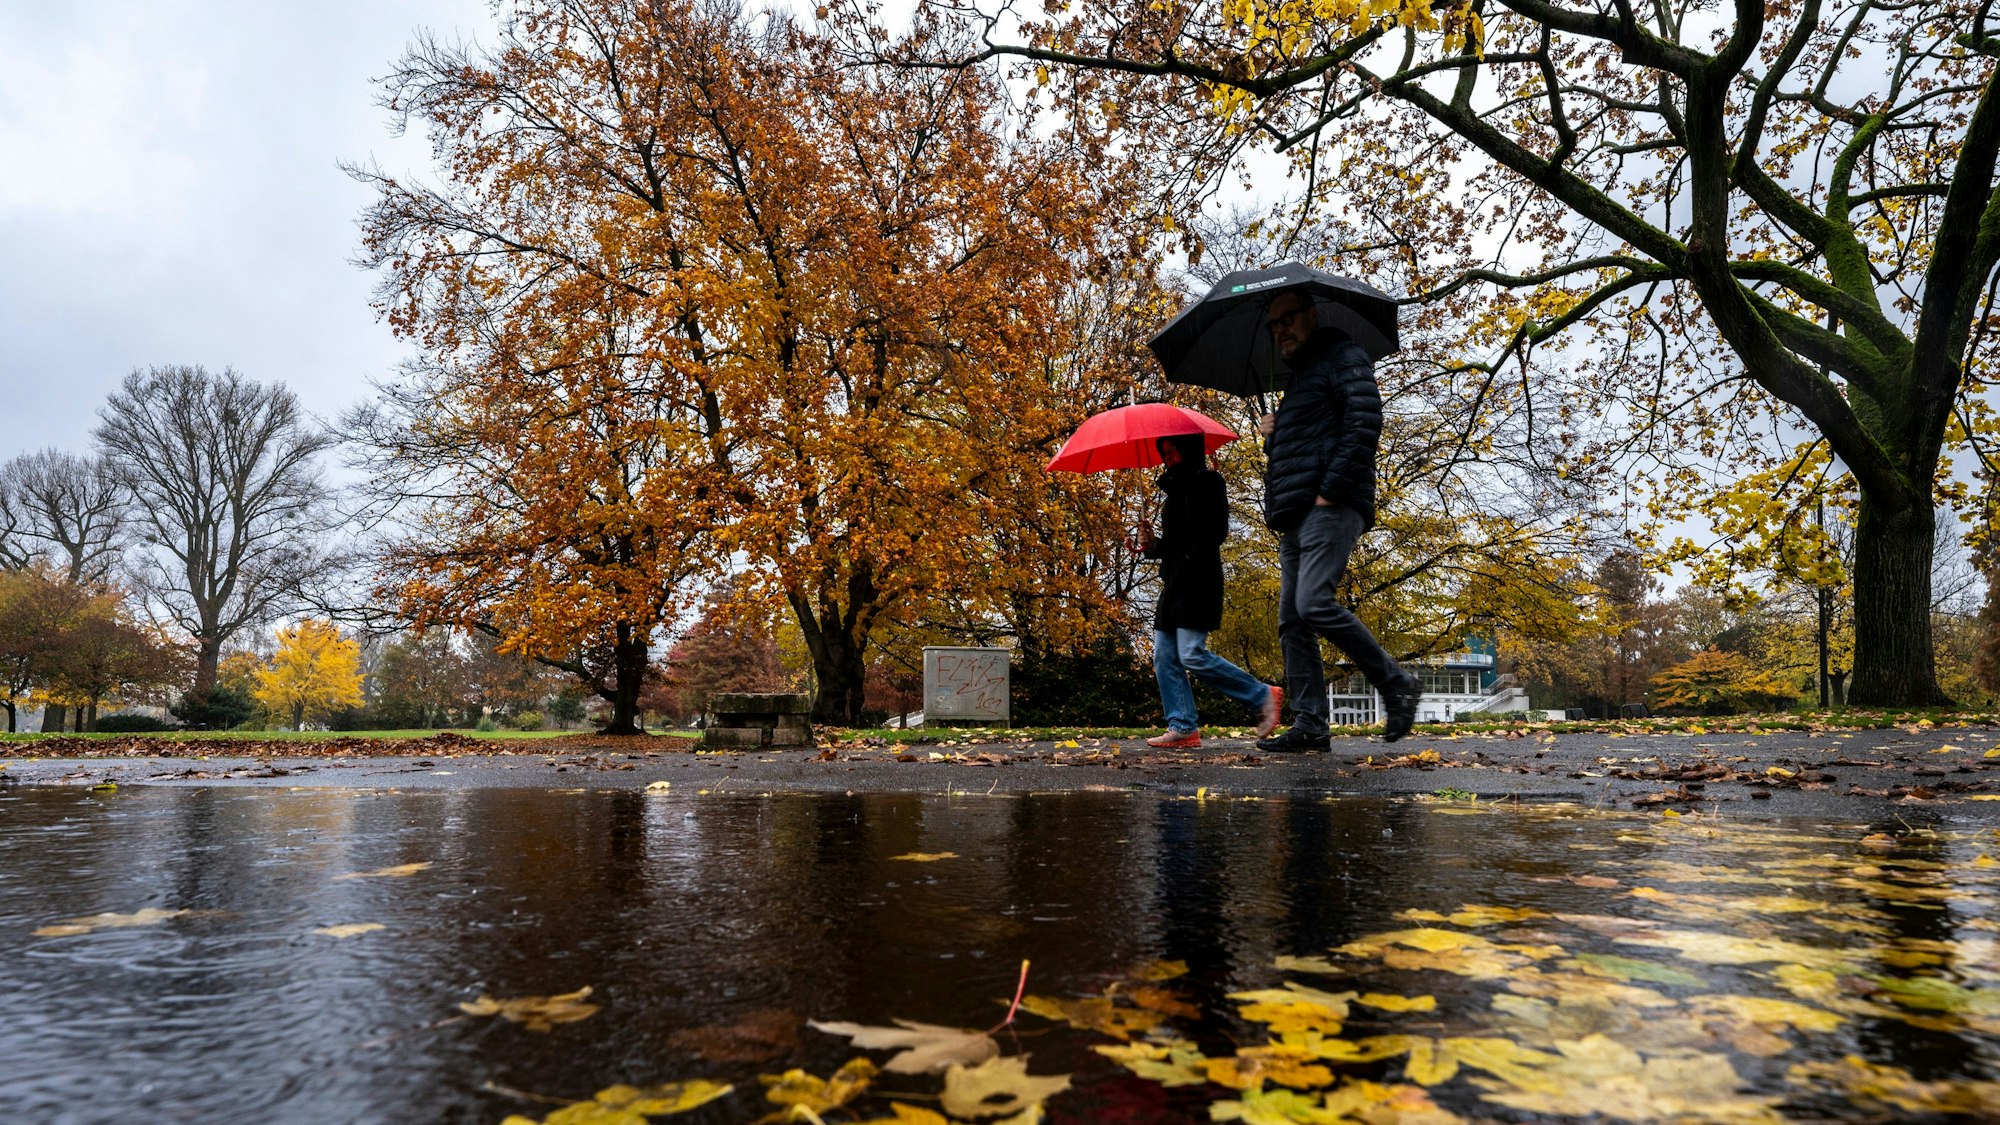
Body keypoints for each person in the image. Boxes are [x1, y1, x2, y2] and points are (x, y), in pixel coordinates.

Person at [1253, 288, 1422, 751]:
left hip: (1329, 504)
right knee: (1292, 621)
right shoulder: (1299, 378)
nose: (1279, 330)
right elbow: (1299, 450)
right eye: (1272, 326)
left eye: (1287, 319)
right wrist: (1274, 433)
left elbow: (1364, 420)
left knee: (1313, 604)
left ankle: (1396, 683)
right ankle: (1311, 724)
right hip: (1295, 514)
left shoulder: (1342, 356)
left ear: (1311, 315)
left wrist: (1332, 491)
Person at [1134, 432, 1283, 749]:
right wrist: (1151, 544)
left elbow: (1217, 531)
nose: (1168, 457)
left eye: (1173, 450)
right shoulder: (1172, 494)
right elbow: (1171, 546)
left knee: (1191, 654)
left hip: (1199, 580)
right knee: (1163, 656)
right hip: (1174, 582)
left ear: (1189, 450)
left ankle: (1262, 695)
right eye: (1165, 453)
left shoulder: (1209, 482)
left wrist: (1185, 557)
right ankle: (1183, 726)